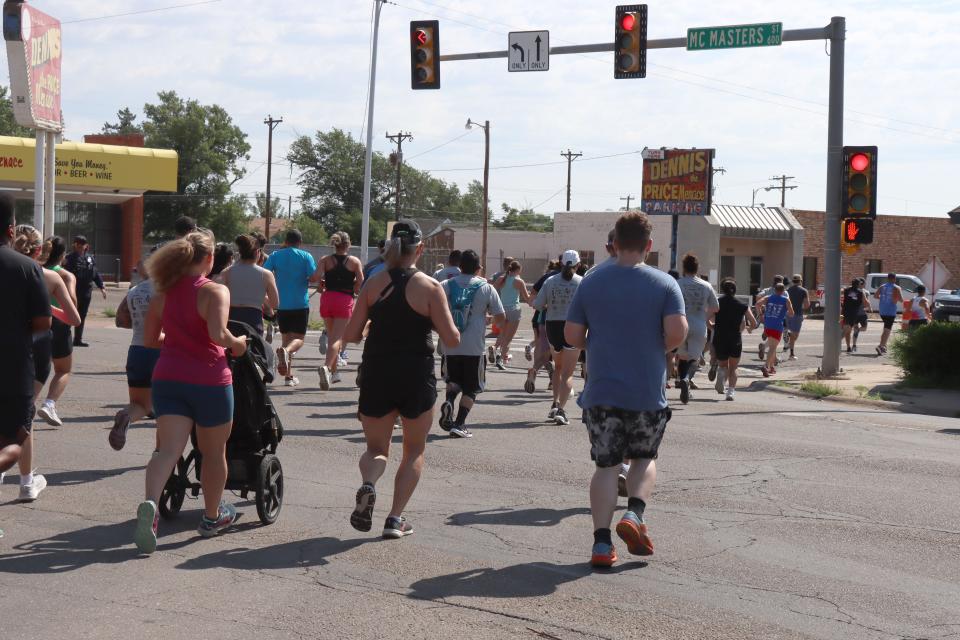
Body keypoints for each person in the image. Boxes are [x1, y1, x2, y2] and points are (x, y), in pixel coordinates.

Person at [565, 212, 687, 568]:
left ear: (614, 243)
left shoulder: (591, 282)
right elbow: (677, 333)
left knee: (606, 466)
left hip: (602, 390)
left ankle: (602, 545)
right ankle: (634, 513)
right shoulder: (664, 284)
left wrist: (599, 341)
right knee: (644, 458)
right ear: (649, 246)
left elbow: (572, 337)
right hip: (646, 391)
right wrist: (651, 347)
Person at [344, 219, 459, 539]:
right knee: (413, 450)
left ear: (390, 247)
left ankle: (369, 483)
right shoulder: (430, 287)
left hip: (377, 370)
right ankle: (395, 519)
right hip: (415, 373)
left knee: (376, 448)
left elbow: (351, 334)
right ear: (420, 249)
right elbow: (452, 338)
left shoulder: (372, 283)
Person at [134, 230, 246, 555]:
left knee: (166, 451)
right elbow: (218, 334)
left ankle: (151, 504)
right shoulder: (215, 291)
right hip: (209, 380)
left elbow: (151, 341)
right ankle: (212, 517)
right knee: (214, 453)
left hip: (168, 377)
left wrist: (177, 337)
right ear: (209, 259)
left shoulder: (162, 293)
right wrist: (238, 345)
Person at [12, 226, 80, 503]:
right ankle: (26, 481)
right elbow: (74, 318)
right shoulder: (51, 276)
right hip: (38, 345)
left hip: (11, 342)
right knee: (24, 414)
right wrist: (47, 308)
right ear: (41, 250)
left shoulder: (9, 270)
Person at [0, 195, 51, 514]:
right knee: (15, 442)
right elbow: (42, 324)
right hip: (13, 368)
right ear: (11, 229)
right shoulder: (27, 268)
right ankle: (27, 480)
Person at [439, 249, 505, 438]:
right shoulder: (486, 287)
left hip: (450, 344)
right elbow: (501, 318)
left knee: (452, 381)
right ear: (478, 268)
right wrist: (486, 319)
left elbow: (432, 312)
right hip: (474, 346)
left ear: (459, 266)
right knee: (472, 387)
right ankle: (459, 424)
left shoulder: (446, 285)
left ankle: (450, 401)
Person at [110, 249, 163, 451]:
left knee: (140, 404)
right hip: (162, 350)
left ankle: (126, 416)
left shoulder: (135, 290)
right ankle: (160, 452)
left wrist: (142, 324)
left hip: (137, 350)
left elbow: (120, 320)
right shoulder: (168, 289)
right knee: (166, 409)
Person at [532, 250, 583, 426]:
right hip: (573, 326)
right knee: (568, 373)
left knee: (558, 367)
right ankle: (561, 409)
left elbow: (537, 304)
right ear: (578, 265)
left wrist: (551, 304)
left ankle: (554, 403)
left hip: (553, 325)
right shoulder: (581, 282)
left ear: (561, 264)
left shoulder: (550, 281)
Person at [263, 229, 319, 386]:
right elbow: (314, 277)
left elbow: (265, 272)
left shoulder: (275, 255)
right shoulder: (305, 256)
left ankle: (288, 376)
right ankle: (286, 354)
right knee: (298, 340)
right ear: (300, 242)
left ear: (285, 241)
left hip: (282, 304)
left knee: (286, 338)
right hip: (300, 303)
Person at [36, 236, 79, 427]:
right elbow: (73, 304)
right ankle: (49, 404)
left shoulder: (35, 270)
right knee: (63, 369)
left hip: (36, 321)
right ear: (63, 255)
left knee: (36, 367)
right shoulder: (65, 275)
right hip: (59, 323)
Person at [317, 231, 363, 390]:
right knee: (337, 340)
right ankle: (327, 368)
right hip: (344, 299)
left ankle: (334, 373)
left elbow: (316, 277)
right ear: (348, 244)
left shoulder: (325, 260)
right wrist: (355, 288)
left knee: (331, 338)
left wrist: (321, 283)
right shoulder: (354, 261)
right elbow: (361, 281)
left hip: (327, 298)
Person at [675, 254, 719, 404]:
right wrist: (705, 317)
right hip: (699, 325)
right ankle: (687, 379)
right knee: (694, 359)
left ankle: (683, 379)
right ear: (697, 268)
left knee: (682, 357)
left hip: (681, 323)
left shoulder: (677, 284)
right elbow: (715, 307)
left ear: (684, 267)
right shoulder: (706, 285)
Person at [220, 234, 279, 337]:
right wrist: (262, 298)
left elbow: (216, 294)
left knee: (231, 350)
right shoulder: (266, 274)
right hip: (253, 319)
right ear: (257, 252)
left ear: (240, 253)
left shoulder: (227, 272)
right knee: (254, 351)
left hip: (231, 318)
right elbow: (275, 304)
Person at [712, 278, 757, 401]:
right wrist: (749, 328)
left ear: (722, 289)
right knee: (734, 367)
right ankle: (730, 392)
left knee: (723, 365)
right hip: (735, 338)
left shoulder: (717, 303)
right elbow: (754, 322)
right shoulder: (742, 305)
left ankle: (721, 374)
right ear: (735, 290)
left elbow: (707, 318)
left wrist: (712, 326)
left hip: (720, 337)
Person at [524, 260, 560, 393]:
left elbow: (532, 297)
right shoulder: (572, 279)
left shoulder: (547, 278)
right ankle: (554, 381)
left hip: (542, 318)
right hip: (563, 320)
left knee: (543, 350)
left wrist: (542, 306)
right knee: (560, 355)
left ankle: (534, 371)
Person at [64, 235, 106, 347]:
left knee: (82, 315)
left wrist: (101, 286)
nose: (80, 246)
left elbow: (95, 273)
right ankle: (64, 337)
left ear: (86, 245)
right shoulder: (69, 258)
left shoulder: (90, 258)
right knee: (70, 313)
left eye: (82, 244)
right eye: (78, 244)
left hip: (86, 291)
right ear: (75, 245)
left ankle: (78, 339)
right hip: (73, 290)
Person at [492, 260, 532, 370]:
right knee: (508, 338)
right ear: (518, 270)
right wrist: (534, 300)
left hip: (502, 309)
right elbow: (526, 297)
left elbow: (492, 290)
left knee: (502, 334)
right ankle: (500, 360)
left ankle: (494, 347)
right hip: (514, 310)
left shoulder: (502, 279)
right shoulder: (519, 281)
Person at [757, 282, 794, 376]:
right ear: (783, 291)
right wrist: (786, 313)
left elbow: (758, 304)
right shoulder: (786, 300)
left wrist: (761, 315)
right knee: (773, 348)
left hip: (767, 324)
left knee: (771, 345)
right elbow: (791, 313)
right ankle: (765, 366)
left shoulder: (768, 297)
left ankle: (771, 367)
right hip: (777, 325)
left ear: (775, 290)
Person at [756, 275, 784, 361]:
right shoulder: (784, 292)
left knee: (771, 337)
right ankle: (770, 360)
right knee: (775, 339)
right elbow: (787, 304)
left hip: (767, 317)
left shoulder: (767, 290)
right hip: (778, 319)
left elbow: (758, 296)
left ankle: (773, 358)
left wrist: (761, 313)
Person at [874, 273, 902, 355]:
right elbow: (901, 300)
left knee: (886, 328)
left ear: (888, 278)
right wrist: (895, 298)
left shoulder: (882, 286)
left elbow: (875, 296)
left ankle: (883, 346)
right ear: (894, 278)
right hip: (890, 311)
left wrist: (883, 298)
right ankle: (880, 346)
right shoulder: (896, 287)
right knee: (887, 329)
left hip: (882, 310)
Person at [785, 274, 810, 360]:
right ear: (801, 281)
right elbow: (807, 305)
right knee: (795, 335)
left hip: (788, 313)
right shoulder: (804, 291)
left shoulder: (788, 290)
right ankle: (791, 354)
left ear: (793, 281)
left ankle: (788, 336)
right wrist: (801, 307)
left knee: (792, 334)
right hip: (798, 314)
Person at [841, 278, 866, 353]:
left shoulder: (846, 290)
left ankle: (848, 347)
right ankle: (835, 342)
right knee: (847, 330)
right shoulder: (860, 292)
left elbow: (842, 292)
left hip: (845, 312)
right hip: (853, 314)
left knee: (847, 330)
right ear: (858, 284)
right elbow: (862, 303)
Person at [852, 278, 873, 352]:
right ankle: (854, 344)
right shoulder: (863, 292)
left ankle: (854, 345)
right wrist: (869, 308)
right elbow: (867, 302)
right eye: (863, 283)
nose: (863, 285)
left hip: (857, 313)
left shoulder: (855, 291)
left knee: (858, 329)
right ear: (862, 284)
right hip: (860, 313)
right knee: (863, 328)